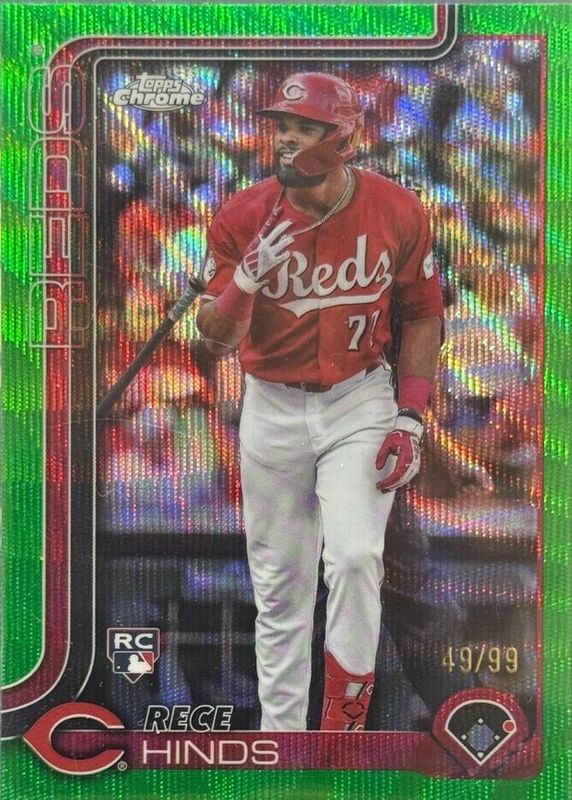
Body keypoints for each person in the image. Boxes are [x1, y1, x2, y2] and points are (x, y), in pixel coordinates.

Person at [196, 72, 444, 732]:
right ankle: (281, 740)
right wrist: (245, 281)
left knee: (358, 556)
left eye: (304, 128)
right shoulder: (243, 215)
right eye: (281, 125)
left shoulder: (396, 208)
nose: (285, 138)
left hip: (359, 398)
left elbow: (423, 314)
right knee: (281, 590)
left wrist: (410, 416)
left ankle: (344, 728)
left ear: (343, 139)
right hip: (272, 404)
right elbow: (213, 340)